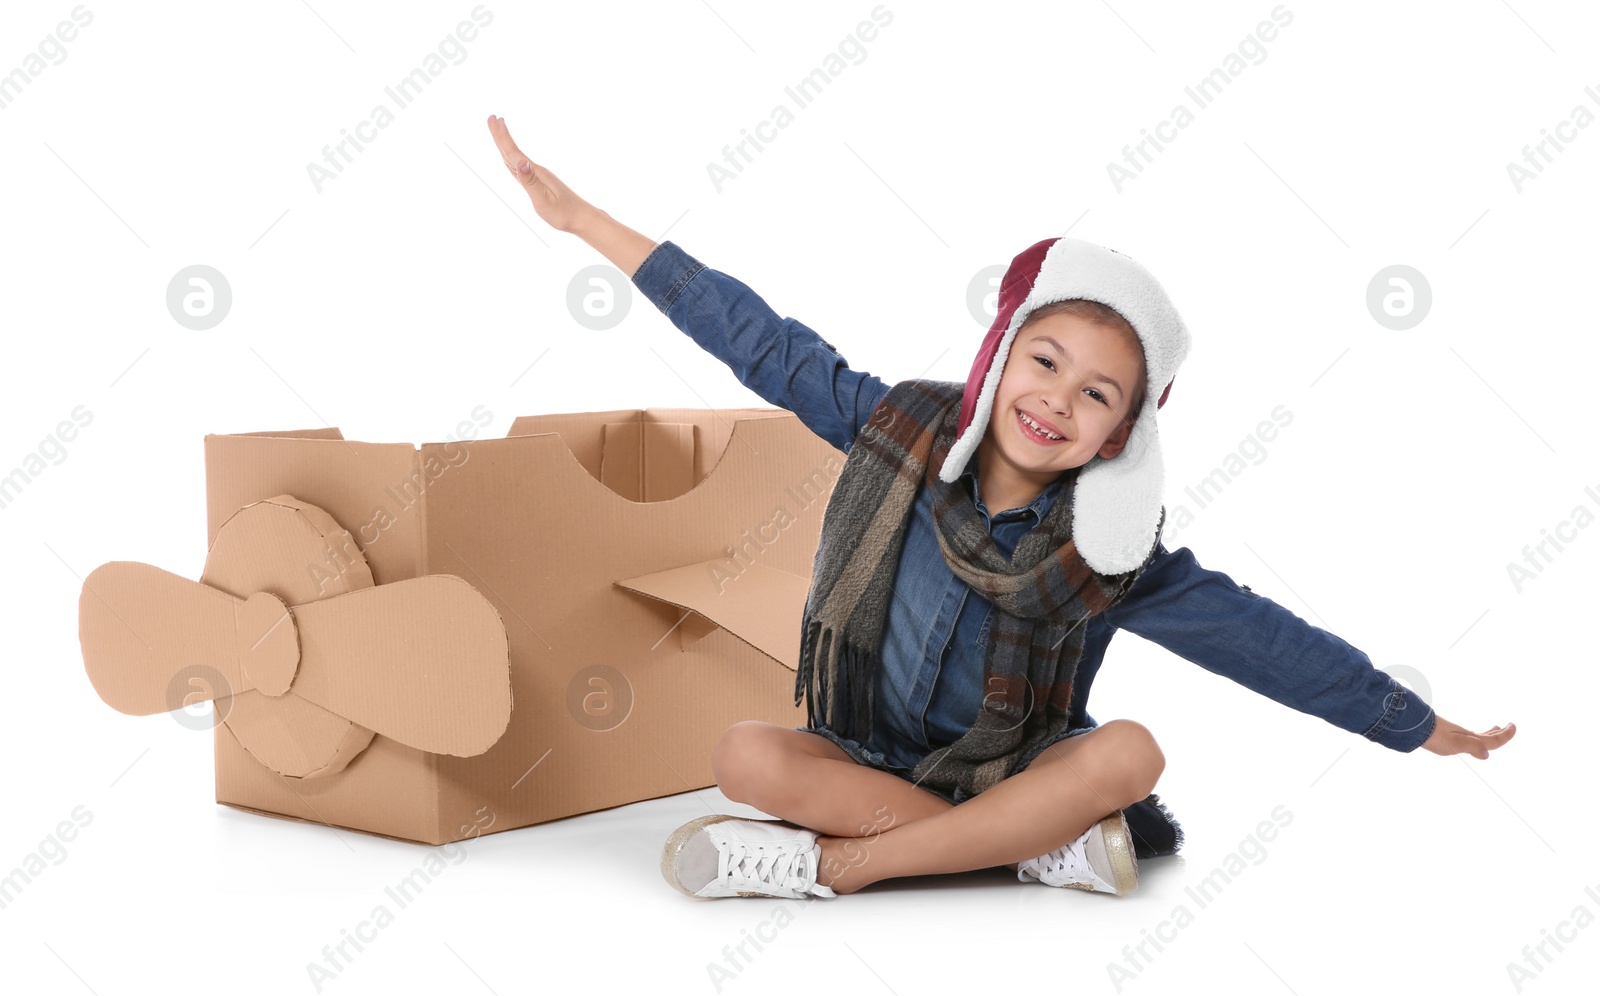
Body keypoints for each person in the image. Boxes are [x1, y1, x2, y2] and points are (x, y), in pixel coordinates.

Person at [486, 114, 1517, 901]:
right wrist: (585, 223)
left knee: (1130, 754)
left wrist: (1413, 723)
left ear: (1119, 436)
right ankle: (1026, 853)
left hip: (1023, 767)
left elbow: (1262, 641)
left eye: (1096, 396)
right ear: (999, 357)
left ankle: (845, 870)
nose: (1056, 402)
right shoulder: (894, 430)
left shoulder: (1111, 555)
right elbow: (760, 340)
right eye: (1045, 361)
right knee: (743, 756)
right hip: (875, 758)